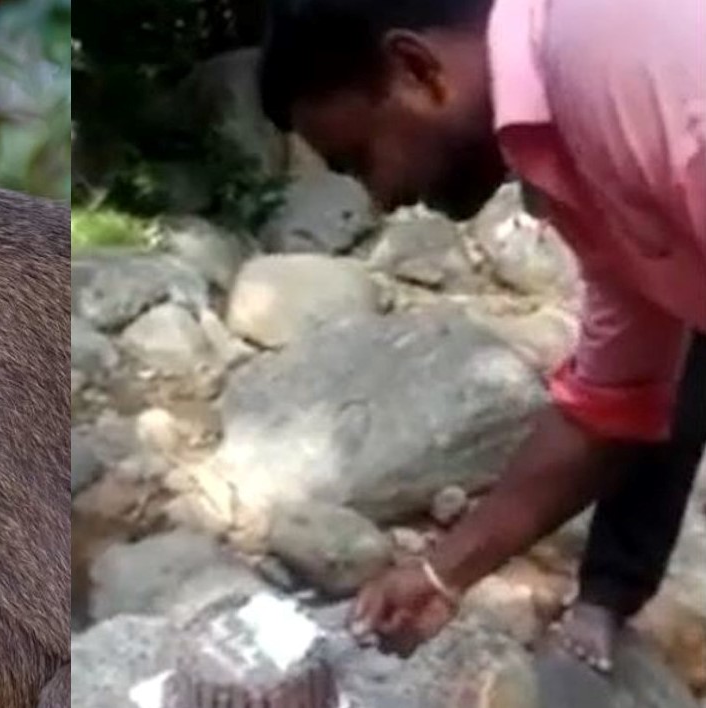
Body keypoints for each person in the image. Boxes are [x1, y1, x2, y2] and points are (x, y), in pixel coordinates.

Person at [257, 0, 706, 670]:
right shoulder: (573, 149)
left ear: (416, 71)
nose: (381, 200)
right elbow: (611, 408)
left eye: (360, 159)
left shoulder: (620, 53)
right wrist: (440, 574)